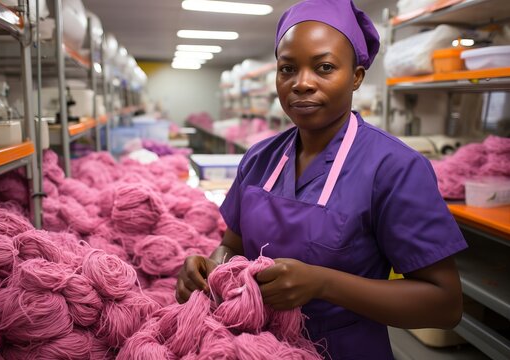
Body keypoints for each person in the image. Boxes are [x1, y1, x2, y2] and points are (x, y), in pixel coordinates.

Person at [176, 0, 468, 358]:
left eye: (324, 67)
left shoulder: (394, 167)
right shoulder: (260, 159)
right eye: (287, 69)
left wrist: (324, 284)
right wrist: (209, 268)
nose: (301, 84)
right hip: (251, 346)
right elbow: (231, 247)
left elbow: (444, 304)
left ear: (356, 76)